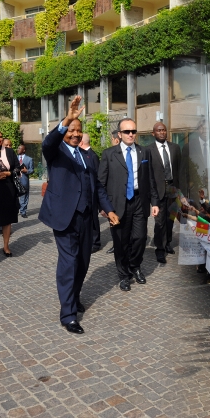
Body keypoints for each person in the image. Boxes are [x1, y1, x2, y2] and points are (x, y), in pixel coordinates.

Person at [38, 96, 119, 335]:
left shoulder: (87, 156)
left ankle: (73, 297)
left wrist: (110, 209)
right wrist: (67, 119)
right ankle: (68, 314)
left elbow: (98, 187)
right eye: (71, 130)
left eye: (78, 130)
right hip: (63, 216)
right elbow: (47, 142)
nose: (75, 133)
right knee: (69, 262)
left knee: (83, 261)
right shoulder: (55, 151)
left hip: (86, 217)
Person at [99, 118, 156, 291]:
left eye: (133, 131)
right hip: (118, 204)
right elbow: (100, 183)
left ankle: (135, 266)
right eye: (127, 132)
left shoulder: (144, 152)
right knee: (120, 241)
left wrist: (154, 202)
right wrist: (104, 207)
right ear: (119, 134)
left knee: (140, 238)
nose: (131, 134)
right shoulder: (109, 154)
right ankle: (123, 275)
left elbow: (150, 178)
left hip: (139, 200)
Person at [147, 122, 181, 264]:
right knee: (159, 222)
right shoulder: (148, 150)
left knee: (170, 219)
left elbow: (180, 169)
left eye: (164, 130)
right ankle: (160, 249)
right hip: (158, 190)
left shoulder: (175, 148)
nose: (162, 132)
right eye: (159, 130)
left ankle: (167, 243)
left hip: (173, 189)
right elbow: (148, 173)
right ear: (153, 133)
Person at [0, 130, 20, 257]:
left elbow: (17, 168)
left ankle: (6, 245)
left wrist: (8, 173)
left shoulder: (9, 151)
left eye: (0, 137)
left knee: (7, 219)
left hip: (8, 188)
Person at [79, 134, 102, 253]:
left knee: (94, 219)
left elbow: (97, 177)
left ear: (81, 142)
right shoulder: (85, 155)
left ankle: (95, 242)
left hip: (93, 194)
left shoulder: (92, 156)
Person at [17, 143, 34, 218]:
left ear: (23, 150)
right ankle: (15, 210)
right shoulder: (14, 158)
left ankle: (23, 211)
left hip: (24, 179)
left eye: (19, 148)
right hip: (15, 179)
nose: (18, 149)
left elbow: (32, 170)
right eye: (18, 148)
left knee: (24, 195)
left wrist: (26, 171)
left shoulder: (29, 159)